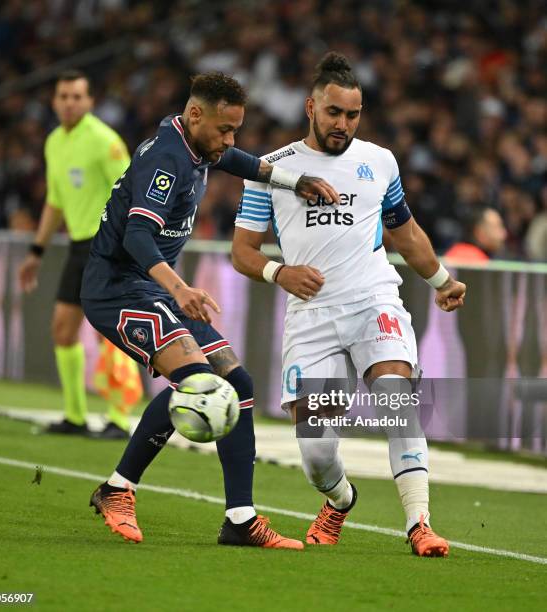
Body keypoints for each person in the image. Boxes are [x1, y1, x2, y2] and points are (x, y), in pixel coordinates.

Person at [80, 72, 339, 548]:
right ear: (195, 114)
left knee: (236, 383)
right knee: (198, 383)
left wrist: (294, 180)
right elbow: (137, 236)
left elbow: (240, 161)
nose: (230, 140)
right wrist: (180, 290)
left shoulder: (194, 144)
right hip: (118, 289)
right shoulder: (167, 158)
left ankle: (240, 520)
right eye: (225, 129)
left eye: (236, 129)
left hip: (151, 290)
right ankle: (117, 490)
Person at [231, 52, 467, 557]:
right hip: (312, 316)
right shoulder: (272, 169)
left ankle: (419, 524)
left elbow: (405, 233)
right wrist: (280, 272)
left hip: (373, 300)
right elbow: (242, 252)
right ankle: (340, 498)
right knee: (316, 452)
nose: (343, 124)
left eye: (353, 115)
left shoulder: (380, 162)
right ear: (310, 107)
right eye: (334, 112)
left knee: (397, 401)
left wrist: (442, 280)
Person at [18, 70, 142, 439]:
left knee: (112, 332)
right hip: (78, 245)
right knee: (63, 329)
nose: (70, 103)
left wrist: (128, 245)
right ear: (55, 102)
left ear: (90, 102)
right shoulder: (54, 141)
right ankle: (75, 416)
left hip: (108, 244)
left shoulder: (105, 141)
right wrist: (36, 250)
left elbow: (131, 192)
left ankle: (119, 419)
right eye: (63, 96)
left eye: (77, 96)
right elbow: (55, 202)